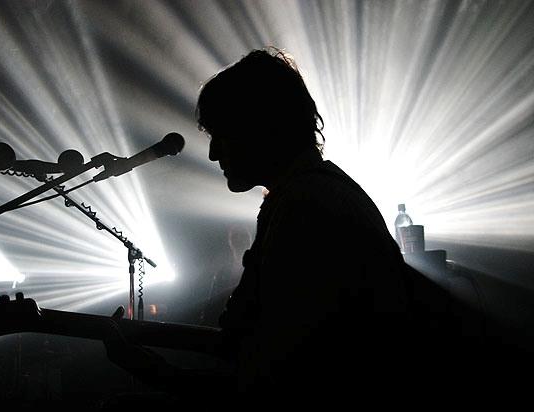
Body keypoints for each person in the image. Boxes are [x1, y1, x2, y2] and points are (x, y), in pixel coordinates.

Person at [102, 48, 439, 406]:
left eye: (221, 135)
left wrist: (158, 373)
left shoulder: (305, 207)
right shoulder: (313, 192)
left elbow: (279, 382)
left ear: (259, 128)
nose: (213, 153)